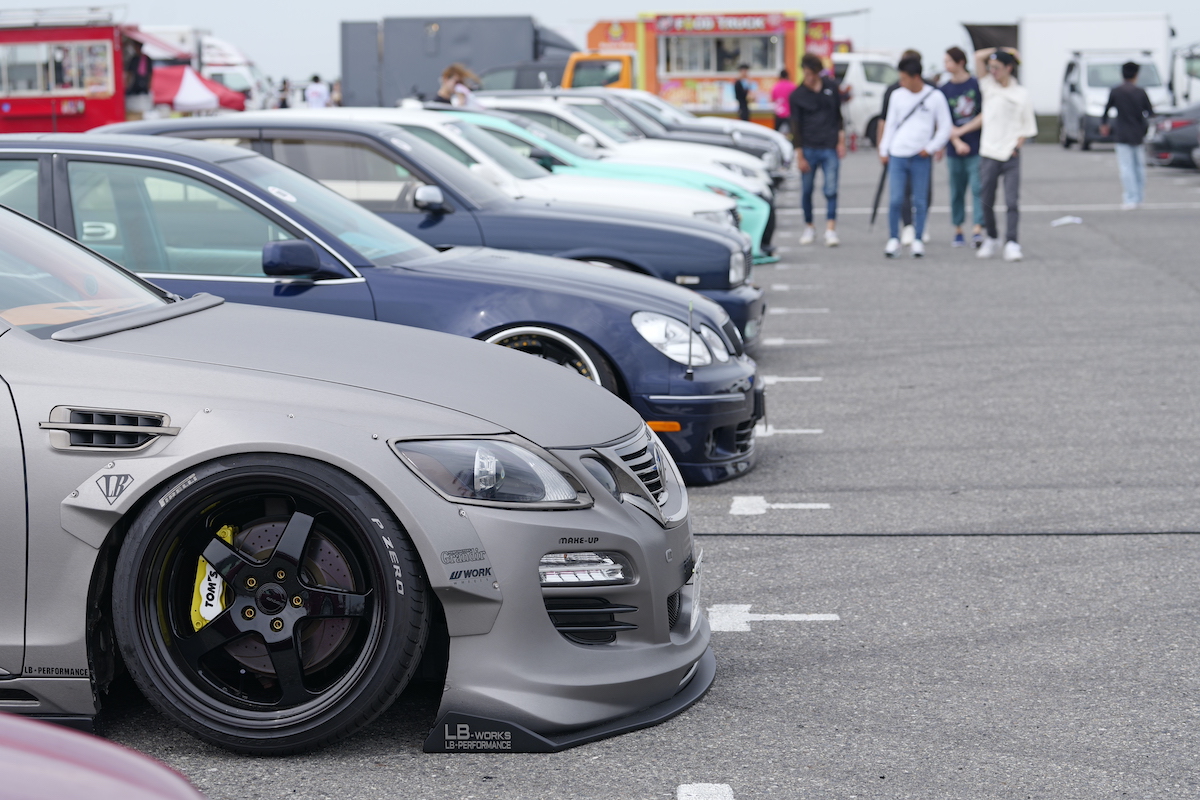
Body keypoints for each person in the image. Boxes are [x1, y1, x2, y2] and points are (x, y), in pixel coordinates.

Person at [957, 48, 1037, 261]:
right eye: (991, 67)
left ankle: (1012, 242)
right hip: (988, 152)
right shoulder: (988, 87)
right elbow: (977, 57)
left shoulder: (1021, 94)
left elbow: (1027, 126)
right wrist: (1002, 50)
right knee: (986, 200)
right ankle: (992, 237)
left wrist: (1016, 147)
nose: (993, 71)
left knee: (1012, 201)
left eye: (997, 68)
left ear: (1009, 68)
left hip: (1010, 154)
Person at [878, 56, 952, 258]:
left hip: (921, 156)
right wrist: (884, 149)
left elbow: (945, 127)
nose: (901, 83)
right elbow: (891, 123)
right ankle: (894, 238)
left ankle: (918, 239)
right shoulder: (897, 95)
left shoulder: (935, 96)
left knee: (920, 200)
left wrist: (931, 147)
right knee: (895, 199)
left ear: (916, 77)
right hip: (898, 154)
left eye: (904, 78)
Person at [789, 52, 846, 247]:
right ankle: (809, 226)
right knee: (806, 190)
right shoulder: (797, 95)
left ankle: (830, 229)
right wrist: (799, 155)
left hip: (829, 146)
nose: (809, 77)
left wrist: (841, 141)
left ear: (818, 72)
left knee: (831, 189)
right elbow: (795, 127)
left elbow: (838, 116)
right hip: (808, 147)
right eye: (806, 73)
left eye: (812, 73)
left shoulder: (831, 87)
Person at [878, 50, 934, 245]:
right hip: (899, 150)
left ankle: (920, 226)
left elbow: (939, 121)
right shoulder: (894, 91)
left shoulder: (931, 91)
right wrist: (883, 147)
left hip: (921, 151)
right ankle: (907, 226)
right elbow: (886, 121)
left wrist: (934, 146)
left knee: (922, 193)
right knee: (900, 194)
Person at [940, 47, 984, 247]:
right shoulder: (944, 89)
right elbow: (942, 120)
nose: (946, 65)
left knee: (977, 188)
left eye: (949, 61)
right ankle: (958, 228)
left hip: (976, 146)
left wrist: (962, 130)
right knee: (956, 190)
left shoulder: (975, 85)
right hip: (954, 150)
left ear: (960, 62)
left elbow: (984, 113)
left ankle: (978, 228)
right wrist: (956, 141)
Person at [1100, 62, 1154, 209]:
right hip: (1138, 134)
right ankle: (1139, 198)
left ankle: (1130, 199)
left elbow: (1106, 111)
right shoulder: (1141, 92)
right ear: (1136, 75)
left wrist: (1104, 124)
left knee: (1126, 168)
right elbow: (1150, 113)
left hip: (1122, 133)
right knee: (1139, 167)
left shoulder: (1116, 91)